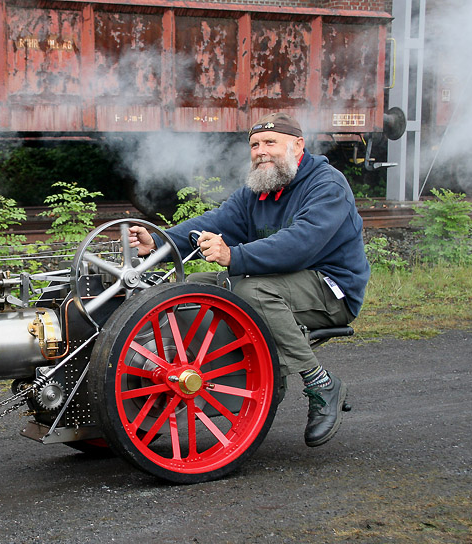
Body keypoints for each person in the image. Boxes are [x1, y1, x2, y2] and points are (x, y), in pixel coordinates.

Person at [128, 112, 370, 447]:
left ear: (298, 145)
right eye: (255, 145)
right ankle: (241, 374)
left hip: (330, 287)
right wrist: (161, 241)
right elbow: (216, 220)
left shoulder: (326, 185)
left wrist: (234, 257)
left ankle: (320, 383)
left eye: (271, 142)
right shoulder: (260, 188)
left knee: (248, 289)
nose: (261, 151)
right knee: (195, 288)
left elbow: (300, 244)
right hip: (280, 278)